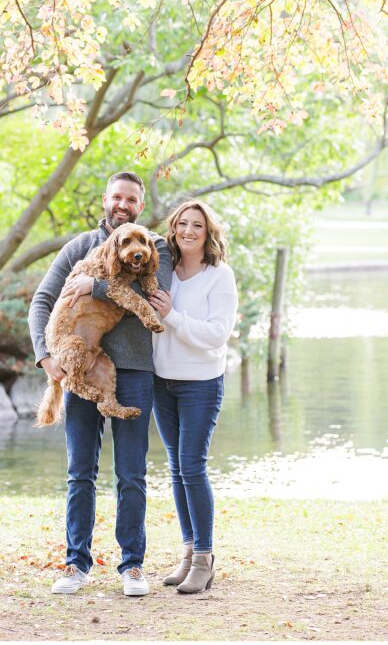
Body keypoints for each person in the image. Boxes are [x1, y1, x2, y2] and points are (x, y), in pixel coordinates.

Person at [28, 171, 173, 597]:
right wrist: (44, 355)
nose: (122, 204)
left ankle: (132, 566)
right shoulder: (80, 246)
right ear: (105, 200)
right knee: (80, 473)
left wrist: (97, 286)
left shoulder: (155, 246)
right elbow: (42, 300)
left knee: (131, 473)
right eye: (116, 197)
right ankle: (76, 564)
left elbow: (154, 300)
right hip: (79, 370)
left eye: (131, 199)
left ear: (140, 206)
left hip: (134, 372)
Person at [147, 199, 238, 594]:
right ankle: (187, 553)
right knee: (175, 467)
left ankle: (204, 557)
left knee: (192, 466)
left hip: (201, 382)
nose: (187, 231)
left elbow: (217, 335)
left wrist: (171, 316)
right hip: (161, 381)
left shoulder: (220, 276)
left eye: (196, 226)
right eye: (182, 224)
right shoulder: (162, 269)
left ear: (208, 232)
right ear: (173, 228)